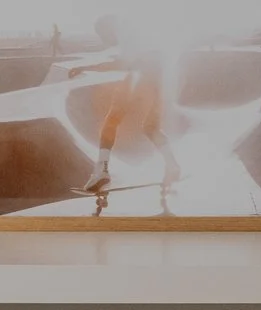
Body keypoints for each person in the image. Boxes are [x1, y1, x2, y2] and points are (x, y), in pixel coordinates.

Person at [66, 47, 181, 198]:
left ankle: (102, 170)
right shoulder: (159, 51)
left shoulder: (139, 46)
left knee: (111, 121)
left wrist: (84, 67)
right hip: (158, 88)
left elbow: (118, 64)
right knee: (151, 127)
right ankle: (172, 165)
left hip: (137, 81)